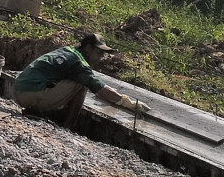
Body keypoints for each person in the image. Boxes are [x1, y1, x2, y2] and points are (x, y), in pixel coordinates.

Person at [14, 33, 149, 123]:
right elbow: (98, 88)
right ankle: (67, 127)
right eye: (99, 52)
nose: (101, 57)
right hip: (30, 94)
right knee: (82, 84)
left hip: (20, 89)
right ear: (89, 48)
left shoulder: (68, 50)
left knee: (79, 81)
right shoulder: (79, 63)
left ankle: (35, 110)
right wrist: (126, 102)